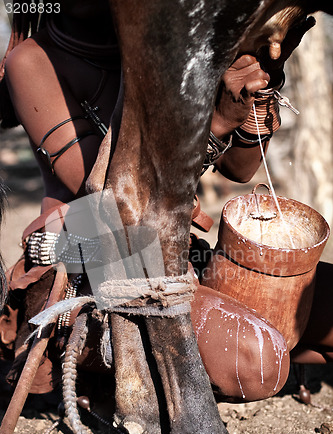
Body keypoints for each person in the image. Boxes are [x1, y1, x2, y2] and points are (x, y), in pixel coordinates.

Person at [0, 0, 320, 411]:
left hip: (174, 253)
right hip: (90, 263)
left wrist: (260, 80)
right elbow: (117, 199)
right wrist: (218, 121)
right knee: (258, 365)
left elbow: (241, 170)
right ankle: (102, 361)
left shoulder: (165, 49)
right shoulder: (33, 61)